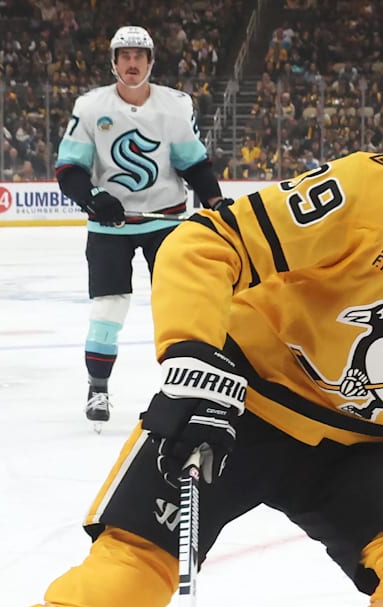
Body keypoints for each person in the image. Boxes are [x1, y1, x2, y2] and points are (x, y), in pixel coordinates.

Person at [32, 85, 383, 607]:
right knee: (123, 580)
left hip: (356, 448)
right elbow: (204, 242)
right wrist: (192, 363)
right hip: (236, 406)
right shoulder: (374, 191)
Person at [55, 25, 225, 430]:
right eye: (124, 56)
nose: (132, 63)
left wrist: (216, 202)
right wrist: (95, 197)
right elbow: (69, 170)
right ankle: (98, 387)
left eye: (139, 56)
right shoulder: (92, 107)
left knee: (182, 307)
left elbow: (194, 164)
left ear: (150, 62)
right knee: (109, 307)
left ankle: (189, 390)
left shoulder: (175, 106)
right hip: (109, 225)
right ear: (114, 63)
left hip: (164, 222)